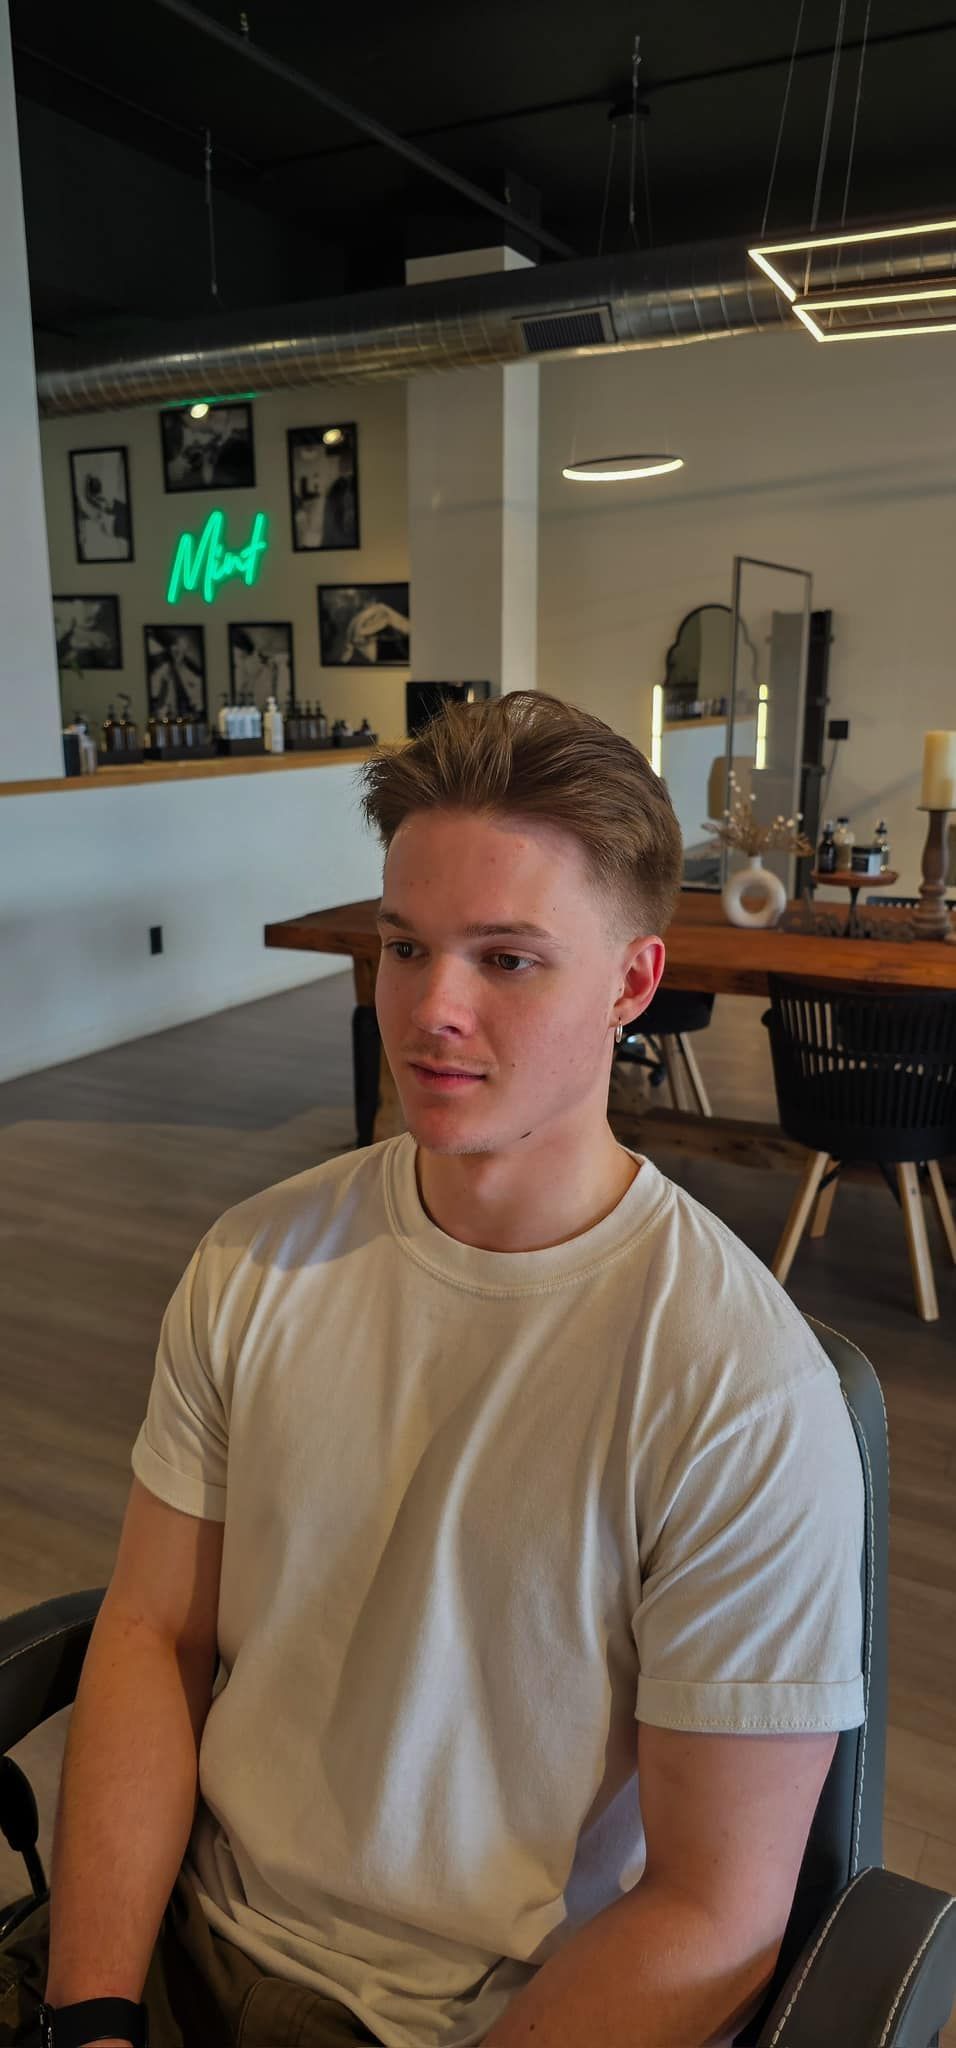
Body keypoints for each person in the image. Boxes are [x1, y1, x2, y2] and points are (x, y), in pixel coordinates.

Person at [0, 692, 865, 2048]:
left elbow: (714, 1908)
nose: (431, 1009)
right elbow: (154, 1635)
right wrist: (95, 2018)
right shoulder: (254, 1263)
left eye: (507, 960)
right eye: (406, 946)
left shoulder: (734, 1390)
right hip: (179, 1927)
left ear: (635, 981)